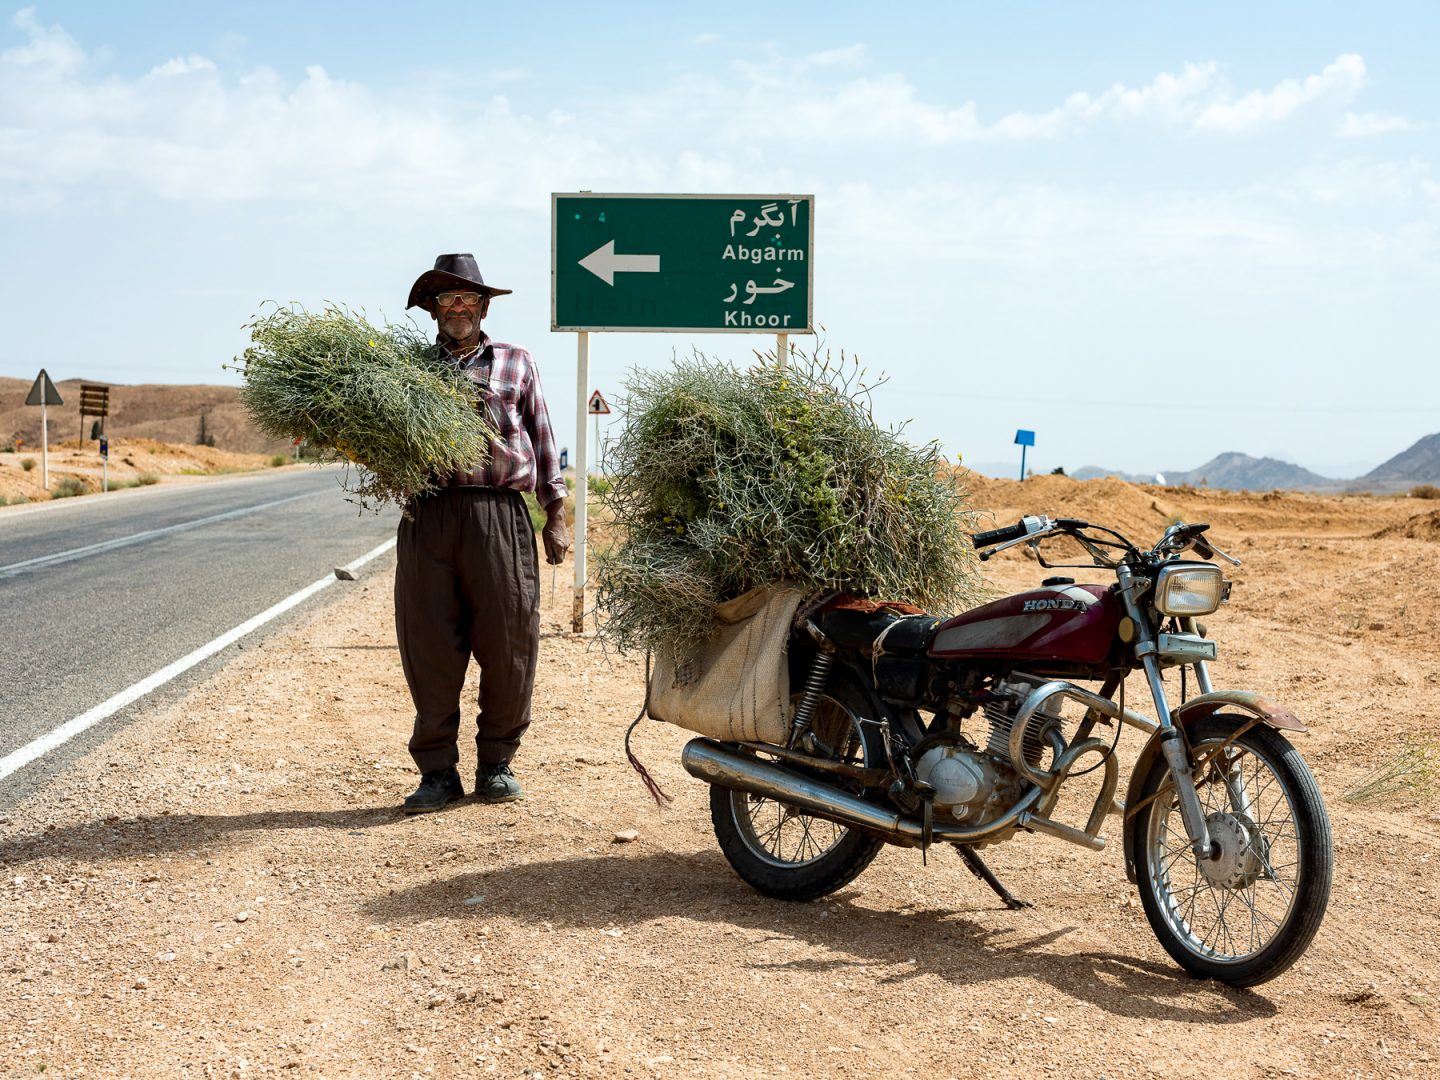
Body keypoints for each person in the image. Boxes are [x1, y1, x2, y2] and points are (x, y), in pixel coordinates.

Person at [395, 253, 570, 813]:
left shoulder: (517, 362)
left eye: (468, 298)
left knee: (510, 641)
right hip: (429, 515)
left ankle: (496, 763)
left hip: (501, 516)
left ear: (485, 306)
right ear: (433, 311)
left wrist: (556, 515)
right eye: (447, 299)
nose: (459, 307)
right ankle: (437, 773)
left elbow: (542, 436)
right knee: (429, 646)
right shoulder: (408, 372)